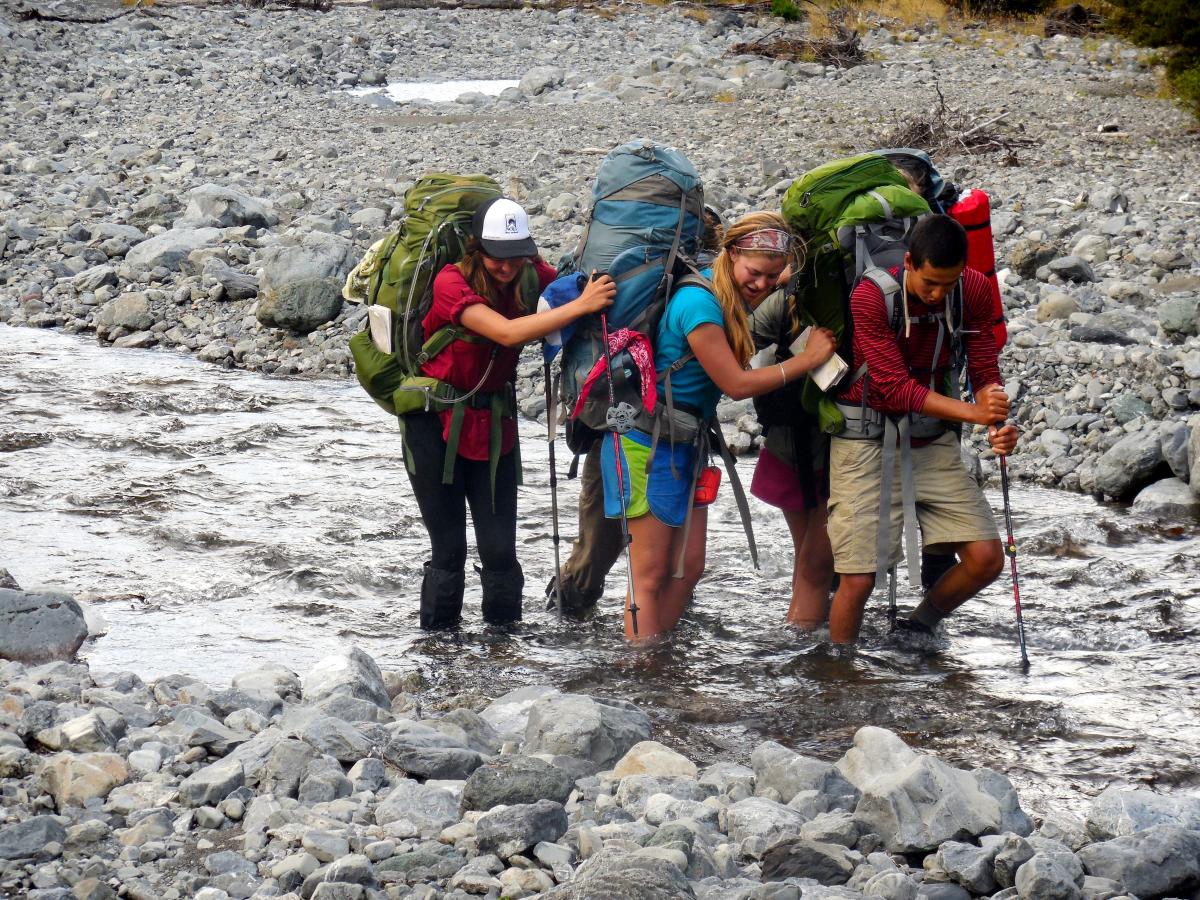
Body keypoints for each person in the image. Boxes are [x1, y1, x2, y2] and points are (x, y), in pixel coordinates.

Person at [599, 211, 836, 642]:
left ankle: (657, 657)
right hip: (645, 444)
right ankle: (642, 670)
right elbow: (736, 384)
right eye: (754, 272)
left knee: (689, 568)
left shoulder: (728, 296)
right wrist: (807, 361)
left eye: (772, 277)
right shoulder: (700, 304)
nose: (762, 285)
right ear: (730, 253)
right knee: (648, 576)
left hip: (685, 441)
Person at [407, 197, 615, 630]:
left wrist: (590, 288)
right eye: (497, 257)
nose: (507, 267)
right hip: (434, 424)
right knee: (450, 551)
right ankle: (438, 655)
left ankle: (503, 648)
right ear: (474, 249)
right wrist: (580, 306)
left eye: (516, 256)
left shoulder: (529, 274)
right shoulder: (450, 283)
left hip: (494, 425)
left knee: (500, 549)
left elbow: (566, 287)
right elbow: (505, 333)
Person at [824, 214, 1019, 644]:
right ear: (909, 261)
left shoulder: (975, 289)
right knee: (858, 579)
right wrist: (974, 414)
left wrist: (998, 422)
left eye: (949, 284)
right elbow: (894, 388)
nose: (938, 295)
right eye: (930, 283)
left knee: (986, 558)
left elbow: (985, 369)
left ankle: (917, 628)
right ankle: (839, 677)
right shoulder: (871, 295)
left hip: (932, 439)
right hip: (864, 441)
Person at [548, 206, 727, 619]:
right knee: (658, 547)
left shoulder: (643, 274)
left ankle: (572, 612)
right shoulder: (703, 285)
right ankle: (655, 625)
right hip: (661, 427)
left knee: (603, 533)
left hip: (613, 414)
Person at [748, 286, 835, 629]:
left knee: (809, 557)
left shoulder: (784, 297)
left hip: (792, 439)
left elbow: (743, 340)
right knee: (813, 559)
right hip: (803, 441)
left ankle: (803, 633)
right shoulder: (784, 297)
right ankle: (808, 633)